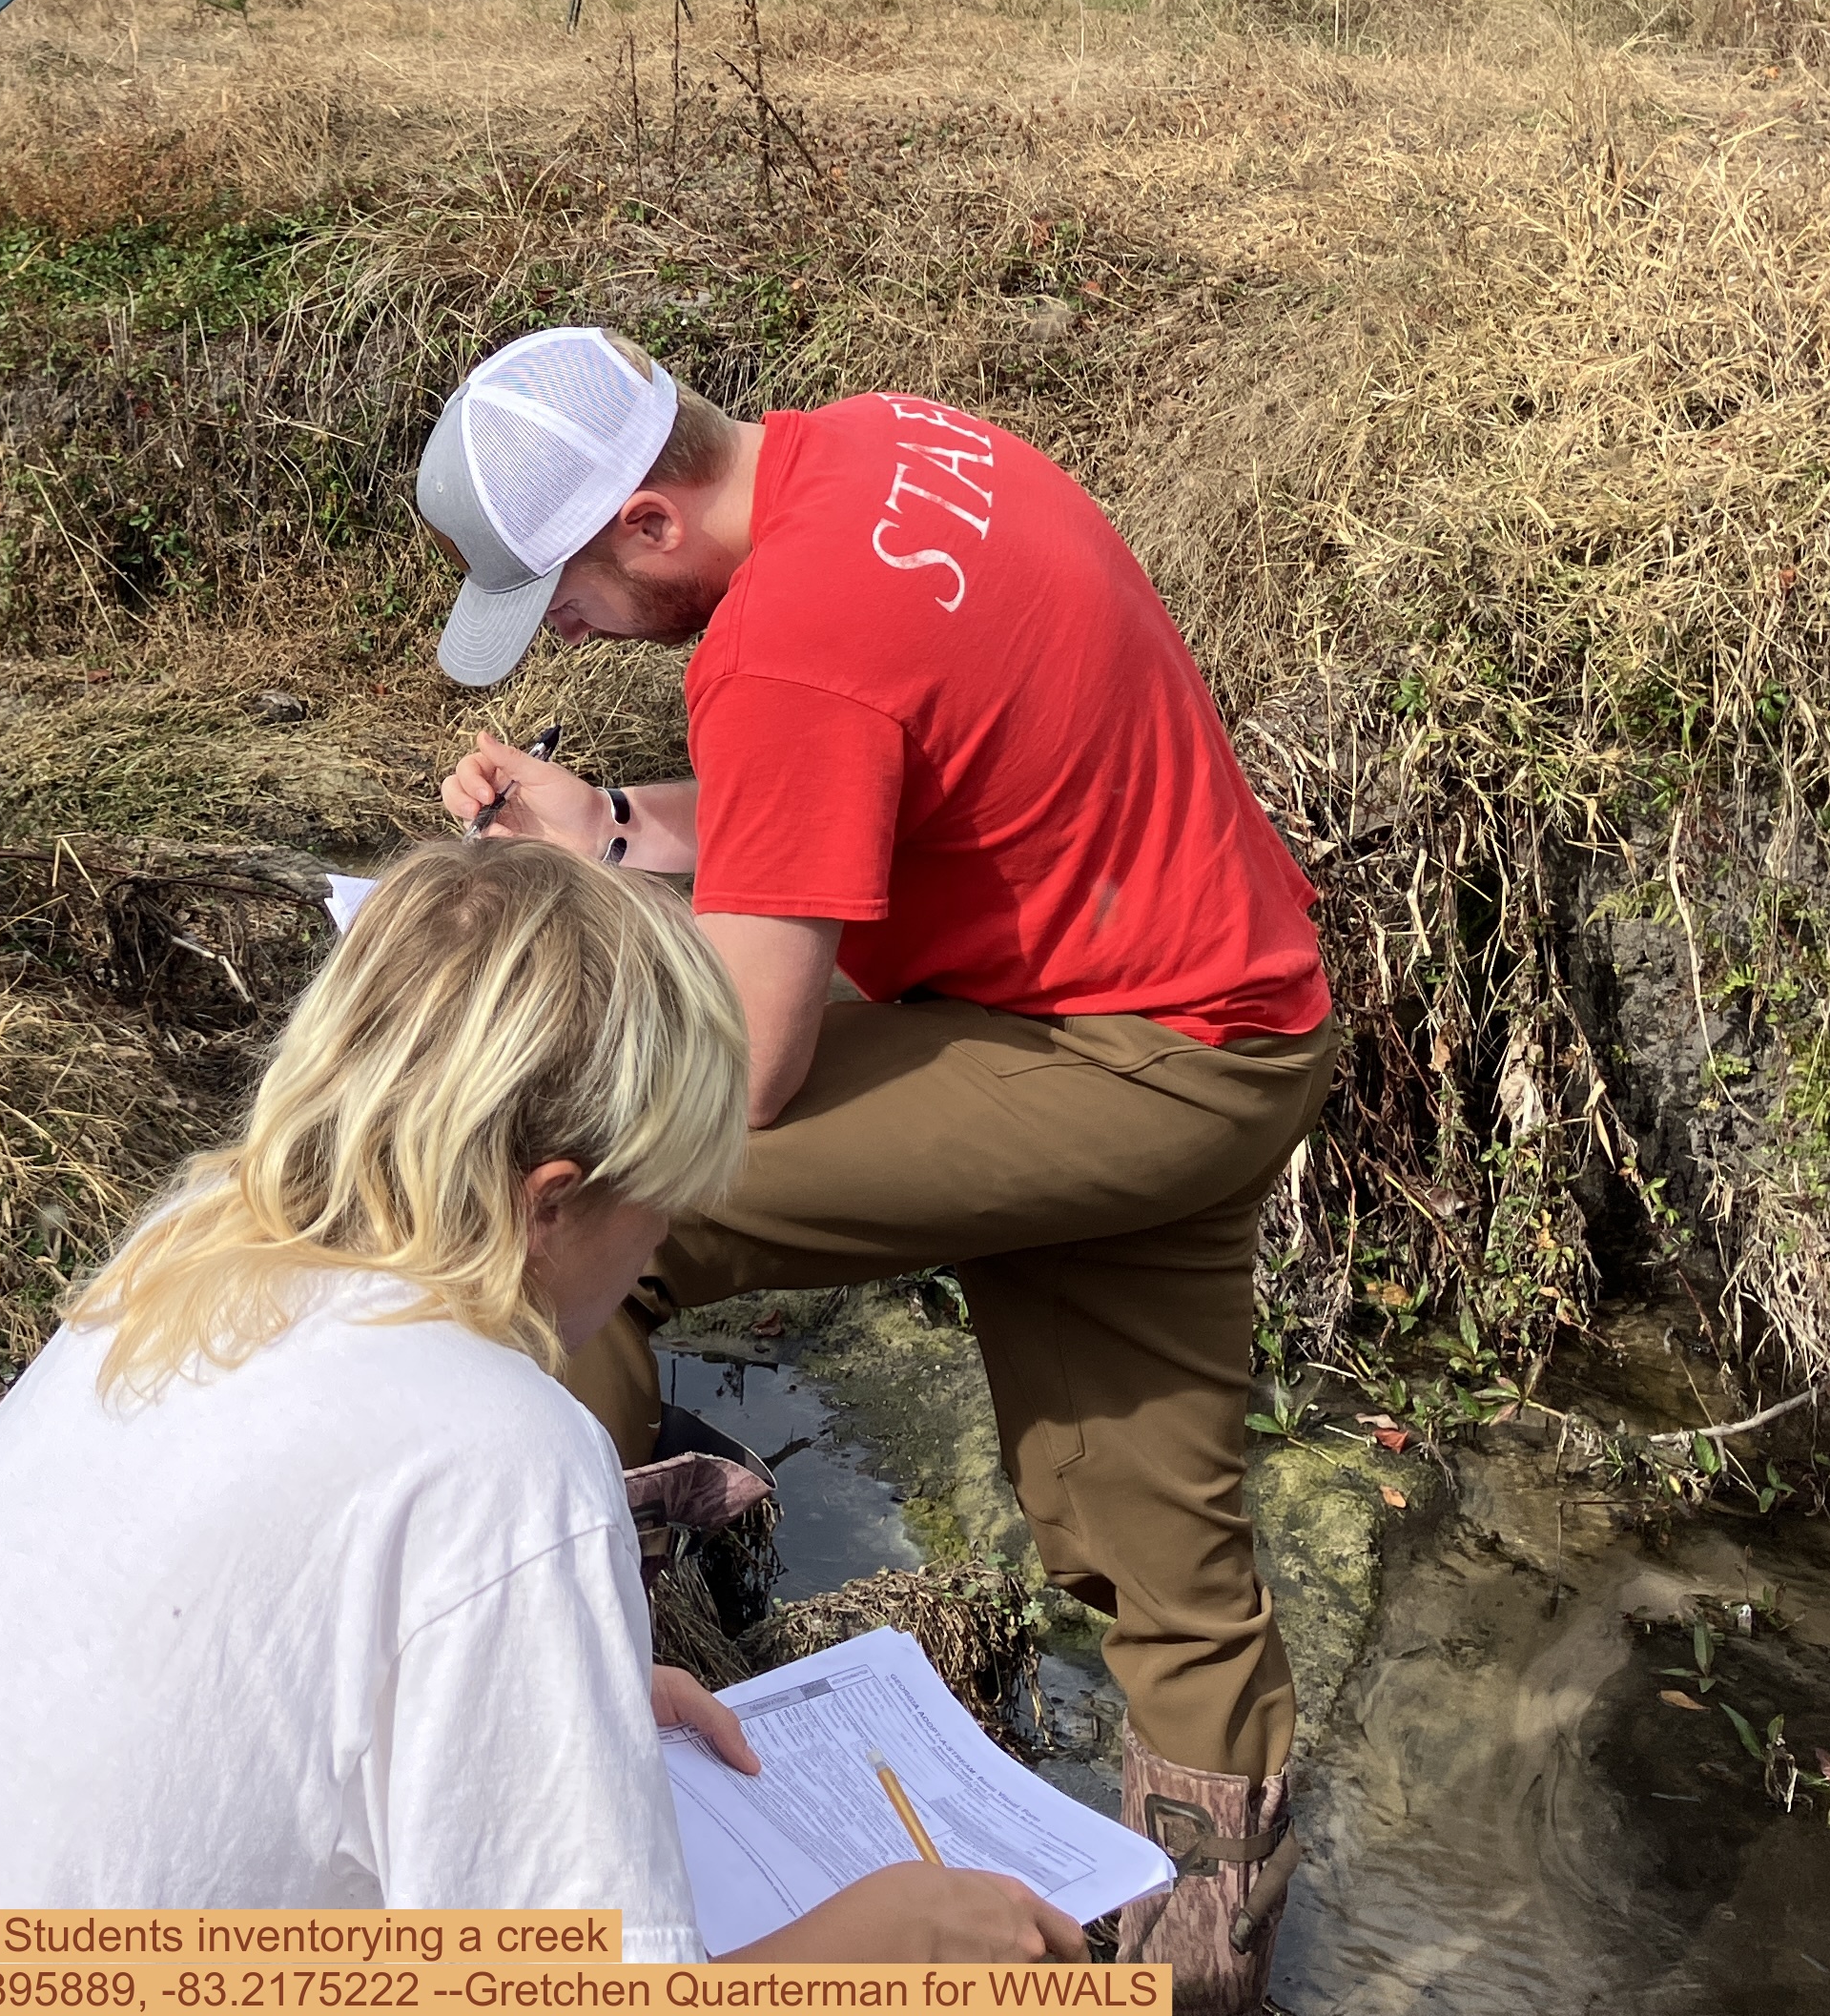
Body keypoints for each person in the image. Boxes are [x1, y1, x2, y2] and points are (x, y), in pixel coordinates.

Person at [0, 837, 1089, 1963]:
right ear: (555, 1207)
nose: (663, 1251)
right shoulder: (500, 1447)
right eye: (658, 1210)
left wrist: (567, 1692)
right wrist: (872, 1948)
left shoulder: (182, 1261)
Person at [418, 328, 1343, 2014]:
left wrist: (541, 973)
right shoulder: (886, 446)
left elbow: (750, 1063)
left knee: (589, 1220)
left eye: (556, 590)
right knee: (1160, 1551)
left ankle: (576, 1703)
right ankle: (1200, 1985)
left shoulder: (778, 643)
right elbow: (842, 780)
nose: (556, 629)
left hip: (1096, 1047)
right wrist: (610, 823)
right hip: (1221, 1018)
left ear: (641, 520)